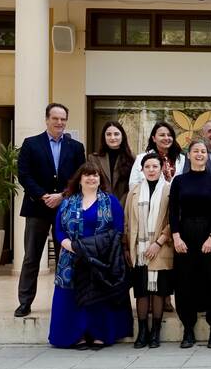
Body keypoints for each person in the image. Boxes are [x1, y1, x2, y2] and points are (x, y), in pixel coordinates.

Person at [49, 162, 132, 349]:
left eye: (95, 175)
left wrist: (97, 248)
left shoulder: (110, 201)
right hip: (71, 256)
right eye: (87, 175)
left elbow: (118, 229)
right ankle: (74, 335)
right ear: (79, 179)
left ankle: (99, 334)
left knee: (99, 295)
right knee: (70, 296)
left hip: (100, 256)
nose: (91, 178)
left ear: (100, 179)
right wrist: (69, 245)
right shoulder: (68, 201)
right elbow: (59, 229)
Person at [15, 103, 86, 318]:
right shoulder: (31, 144)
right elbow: (24, 175)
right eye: (55, 118)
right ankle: (25, 302)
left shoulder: (75, 147)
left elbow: (80, 175)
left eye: (63, 119)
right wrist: (43, 195)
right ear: (47, 119)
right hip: (38, 207)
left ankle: (65, 301)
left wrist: (62, 196)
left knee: (67, 256)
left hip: (65, 208)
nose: (59, 122)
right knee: (31, 257)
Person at [169, 140, 211, 349]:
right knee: (185, 281)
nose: (200, 154)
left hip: (210, 235)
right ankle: (188, 329)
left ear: (207, 156)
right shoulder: (179, 181)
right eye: (196, 151)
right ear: (189, 155)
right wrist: (176, 236)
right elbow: (173, 211)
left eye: (203, 151)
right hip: (185, 234)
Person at [124, 153, 174, 349]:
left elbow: (173, 221)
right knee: (142, 291)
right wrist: (129, 247)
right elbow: (128, 222)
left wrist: (159, 242)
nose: (152, 170)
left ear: (161, 168)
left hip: (161, 247)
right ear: (142, 170)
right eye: (148, 167)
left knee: (159, 291)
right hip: (140, 250)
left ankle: (156, 331)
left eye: (155, 166)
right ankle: (143, 330)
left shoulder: (169, 190)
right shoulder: (134, 192)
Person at [88, 121, 134, 206]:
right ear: (104, 137)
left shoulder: (132, 158)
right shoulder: (93, 158)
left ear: (122, 136)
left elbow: (132, 186)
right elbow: (90, 183)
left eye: (116, 134)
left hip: (124, 205)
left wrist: (119, 204)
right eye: (108, 134)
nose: (112, 138)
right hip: (100, 205)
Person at [129, 122, 186, 188]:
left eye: (169, 135)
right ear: (154, 138)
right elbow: (133, 185)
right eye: (162, 135)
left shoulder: (182, 160)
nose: (166, 138)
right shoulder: (141, 158)